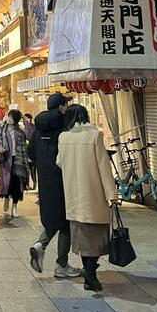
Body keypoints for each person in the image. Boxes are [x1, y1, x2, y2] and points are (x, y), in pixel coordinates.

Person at [56, 104, 119, 292]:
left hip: (73, 195)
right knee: (97, 236)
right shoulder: (94, 135)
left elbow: (59, 161)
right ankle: (90, 272)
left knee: (82, 237)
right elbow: (103, 167)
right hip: (93, 193)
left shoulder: (63, 137)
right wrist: (112, 194)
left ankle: (89, 275)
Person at [28, 93, 81, 279]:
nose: (67, 107)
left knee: (53, 218)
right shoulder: (65, 128)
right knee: (65, 222)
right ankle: (61, 265)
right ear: (60, 107)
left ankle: (40, 245)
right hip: (64, 179)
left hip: (45, 180)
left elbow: (31, 154)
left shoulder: (38, 128)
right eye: (66, 104)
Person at [0, 108, 29, 217]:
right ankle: (6, 198)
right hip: (6, 159)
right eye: (9, 116)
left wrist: (25, 120)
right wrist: (0, 148)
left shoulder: (20, 129)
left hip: (19, 160)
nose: (8, 118)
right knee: (6, 183)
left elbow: (29, 134)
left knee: (17, 185)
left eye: (11, 117)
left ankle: (15, 207)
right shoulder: (1, 128)